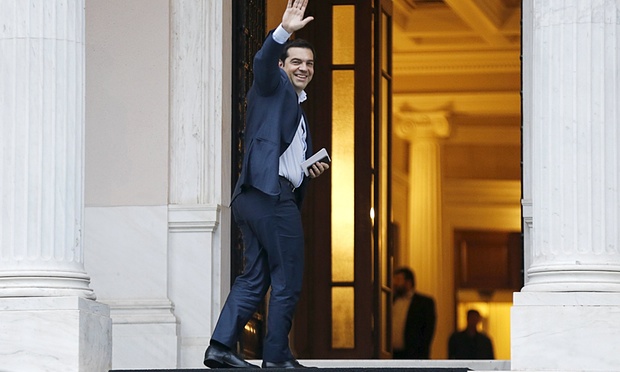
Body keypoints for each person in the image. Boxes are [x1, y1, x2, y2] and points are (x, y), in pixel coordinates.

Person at [203, 0, 328, 369]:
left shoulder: (296, 107)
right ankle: (275, 357)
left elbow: (283, 156)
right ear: (281, 66)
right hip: (271, 197)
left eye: (308, 64)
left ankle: (220, 347)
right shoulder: (273, 86)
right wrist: (284, 31)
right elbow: (261, 63)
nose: (303, 68)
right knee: (287, 277)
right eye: (296, 62)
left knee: (255, 276)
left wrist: (307, 169)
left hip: (256, 196)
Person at [392, 267, 436, 359]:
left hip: (413, 356)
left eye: (398, 280)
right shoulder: (390, 301)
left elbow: (427, 332)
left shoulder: (424, 303)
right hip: (392, 355)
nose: (394, 283)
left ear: (408, 282)